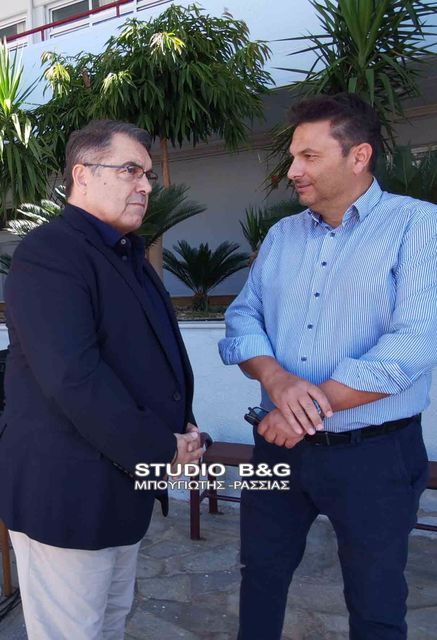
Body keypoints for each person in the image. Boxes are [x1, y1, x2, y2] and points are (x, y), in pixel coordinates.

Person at [219, 93, 437, 640]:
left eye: (309, 157)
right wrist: (276, 379)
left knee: (375, 599)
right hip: (278, 449)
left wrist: (303, 409)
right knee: (260, 576)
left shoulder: (419, 226)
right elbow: (243, 316)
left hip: (374, 457)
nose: (293, 170)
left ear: (359, 156)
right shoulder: (281, 236)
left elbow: (413, 344)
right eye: (293, 156)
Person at [0, 119, 203, 639]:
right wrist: (162, 447)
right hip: (67, 494)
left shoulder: (128, 254)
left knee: (109, 625)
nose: (146, 186)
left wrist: (183, 426)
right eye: (131, 170)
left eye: (148, 175)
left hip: (120, 488)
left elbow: (150, 358)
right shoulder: (50, 253)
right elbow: (73, 377)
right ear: (82, 174)